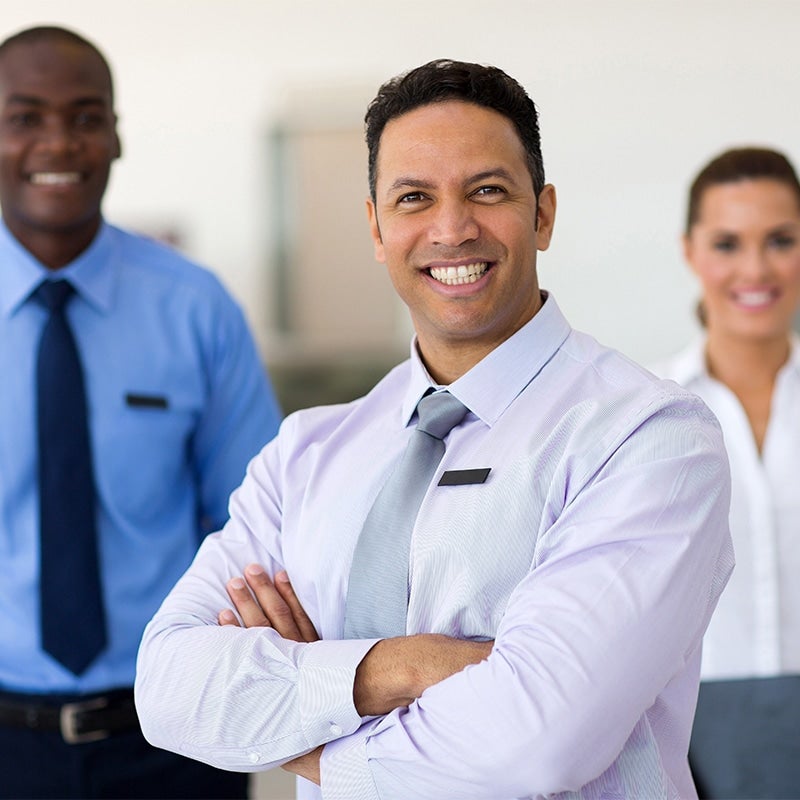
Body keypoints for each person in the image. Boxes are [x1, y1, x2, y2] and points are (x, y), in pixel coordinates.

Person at [136, 59, 733, 800]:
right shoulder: (307, 454)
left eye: (488, 191)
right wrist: (403, 665)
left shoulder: (647, 437)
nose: (452, 229)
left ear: (543, 214)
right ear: (376, 227)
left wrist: (303, 722)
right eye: (414, 197)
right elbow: (168, 689)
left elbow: (537, 741)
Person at [0, 25, 282, 799]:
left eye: (86, 117)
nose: (59, 142)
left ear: (117, 137)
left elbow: (255, 527)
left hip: (173, 732)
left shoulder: (195, 308)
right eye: (25, 117)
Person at [651, 147, 800, 798]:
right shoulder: (645, 413)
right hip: (689, 737)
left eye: (781, 240)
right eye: (727, 243)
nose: (756, 269)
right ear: (690, 252)